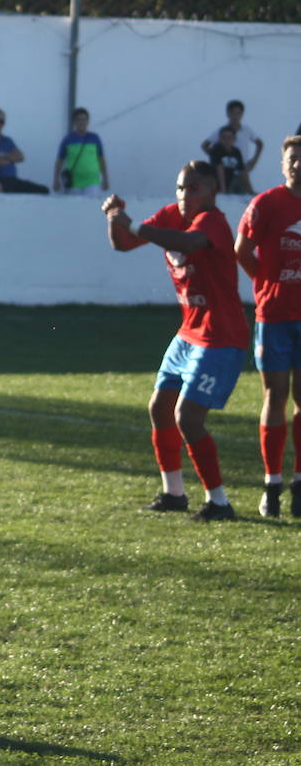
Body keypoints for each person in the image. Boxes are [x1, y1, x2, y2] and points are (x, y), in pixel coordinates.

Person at [103, 161, 247, 521]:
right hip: (189, 332)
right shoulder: (171, 214)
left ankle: (219, 502)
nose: (185, 195)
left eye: (194, 188)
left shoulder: (213, 220)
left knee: (189, 418)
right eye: (181, 188)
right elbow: (123, 244)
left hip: (220, 336)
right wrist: (116, 217)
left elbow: (188, 242)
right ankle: (174, 493)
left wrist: (134, 224)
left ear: (213, 191)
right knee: (159, 408)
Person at [234, 137, 301, 517]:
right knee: (275, 395)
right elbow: (242, 249)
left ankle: (299, 481)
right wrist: (264, 281)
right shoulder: (266, 204)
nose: (298, 165)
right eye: (292, 159)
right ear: (282, 164)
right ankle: (271, 483)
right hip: (274, 315)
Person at [0, 109, 49, 194]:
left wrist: (3, 156)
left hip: (13, 180)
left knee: (43, 190)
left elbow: (21, 157)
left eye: (0, 121)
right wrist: (10, 158)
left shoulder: (7, 140)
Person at [53, 107, 109, 196]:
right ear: (74, 122)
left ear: (88, 121)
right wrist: (56, 180)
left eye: (84, 119)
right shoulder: (68, 139)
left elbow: (101, 159)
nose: (81, 122)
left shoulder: (95, 138)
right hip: (73, 182)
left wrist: (105, 179)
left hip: (92, 181)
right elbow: (60, 160)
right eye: (78, 119)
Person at [203, 100, 263, 180]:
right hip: (225, 172)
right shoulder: (222, 131)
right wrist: (217, 158)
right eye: (232, 113)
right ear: (228, 114)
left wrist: (253, 161)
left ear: (242, 114)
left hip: (242, 171)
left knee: (243, 191)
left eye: (238, 113)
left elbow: (259, 144)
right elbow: (205, 145)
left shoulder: (246, 130)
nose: (235, 116)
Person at [207, 125, 251, 195]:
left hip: (230, 180)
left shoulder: (236, 151)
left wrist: (250, 190)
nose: (227, 140)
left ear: (234, 139)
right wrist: (223, 190)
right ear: (220, 139)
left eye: (229, 137)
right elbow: (219, 169)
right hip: (216, 182)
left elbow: (242, 171)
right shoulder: (216, 150)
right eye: (224, 137)